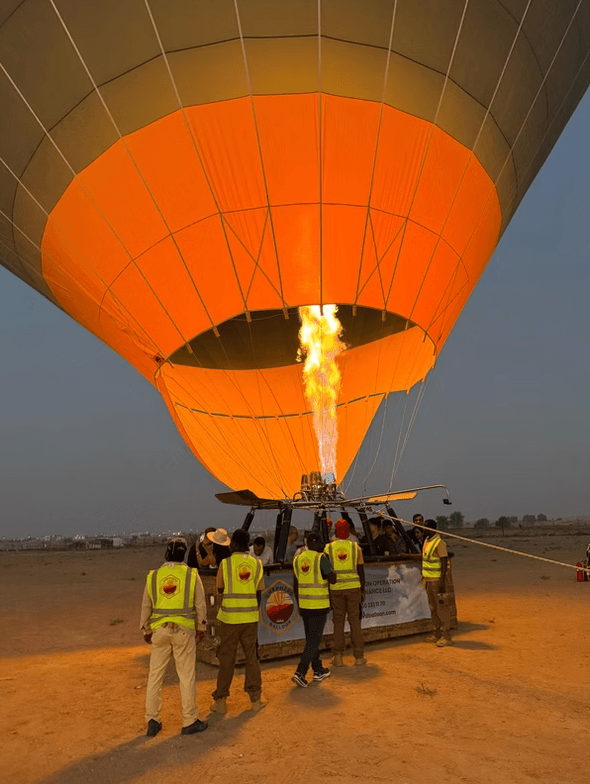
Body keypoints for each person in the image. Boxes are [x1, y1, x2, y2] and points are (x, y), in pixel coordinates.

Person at [140, 537, 208, 737]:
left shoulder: (153, 576)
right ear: (184, 554)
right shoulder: (192, 575)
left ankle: (152, 719)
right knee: (186, 677)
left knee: (155, 676)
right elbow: (200, 604)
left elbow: (146, 605)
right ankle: (189, 721)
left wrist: (146, 629)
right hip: (185, 631)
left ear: (166, 554)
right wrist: (201, 627)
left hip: (159, 631)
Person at [211, 528, 266, 713]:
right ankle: (255, 699)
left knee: (227, 659)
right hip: (250, 618)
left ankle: (221, 702)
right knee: (252, 657)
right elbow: (259, 593)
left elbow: (219, 589)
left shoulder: (225, 565)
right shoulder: (257, 564)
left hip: (229, 619)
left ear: (233, 544)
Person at [291, 532, 336, 687]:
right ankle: (300, 672)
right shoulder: (321, 558)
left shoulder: (297, 560)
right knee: (314, 640)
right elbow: (332, 579)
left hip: (304, 605)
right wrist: (330, 566)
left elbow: (295, 585)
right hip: (319, 604)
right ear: (315, 544)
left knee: (311, 638)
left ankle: (318, 669)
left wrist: (298, 604)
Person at [325, 519, 366, 666]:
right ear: (348, 531)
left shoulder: (328, 548)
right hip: (354, 588)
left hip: (336, 589)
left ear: (335, 531)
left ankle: (338, 657)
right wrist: (363, 589)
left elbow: (327, 572)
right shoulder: (356, 548)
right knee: (355, 621)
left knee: (338, 622)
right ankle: (359, 657)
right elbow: (361, 570)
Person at [421, 519, 452, 647]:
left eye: (425, 528)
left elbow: (444, 562)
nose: (423, 530)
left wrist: (442, 582)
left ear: (432, 528)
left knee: (441, 609)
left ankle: (446, 636)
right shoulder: (427, 541)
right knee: (433, 609)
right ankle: (436, 633)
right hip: (428, 580)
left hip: (436, 581)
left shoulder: (439, 543)